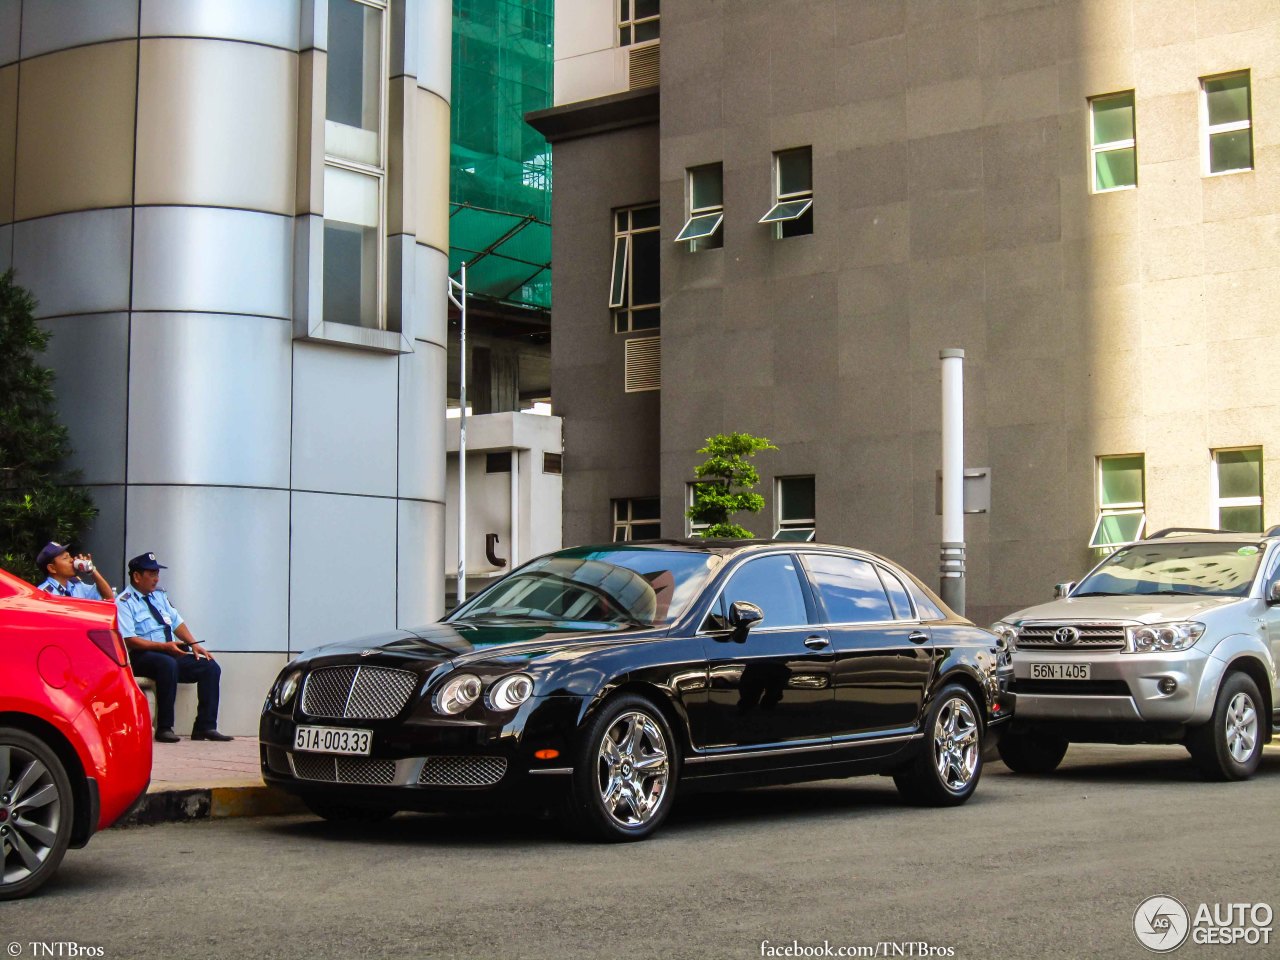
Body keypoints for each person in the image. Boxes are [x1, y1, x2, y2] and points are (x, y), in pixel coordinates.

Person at [117, 552, 233, 744]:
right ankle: (164, 727)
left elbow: (177, 623)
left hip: (169, 652)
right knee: (167, 664)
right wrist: (164, 647)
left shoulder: (159, 597)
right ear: (137, 576)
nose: (156, 578)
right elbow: (130, 640)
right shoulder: (124, 602)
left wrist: (194, 645)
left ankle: (205, 726)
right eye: (151, 573)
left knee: (210, 667)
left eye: (157, 573)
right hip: (142, 656)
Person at [35, 541, 114, 600]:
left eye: (69, 556)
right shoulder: (44, 594)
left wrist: (91, 570)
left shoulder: (76, 585)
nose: (71, 560)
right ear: (52, 568)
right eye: (65, 558)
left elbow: (109, 597)